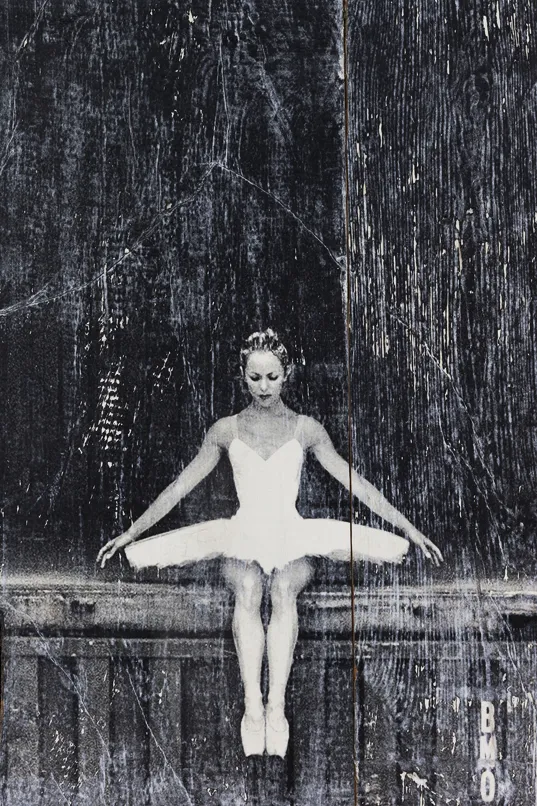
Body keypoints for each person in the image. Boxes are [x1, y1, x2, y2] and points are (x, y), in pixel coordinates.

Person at [97, 328, 443, 758]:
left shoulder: (306, 429)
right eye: (255, 377)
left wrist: (408, 527)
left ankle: (276, 706)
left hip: (291, 535)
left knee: (281, 589)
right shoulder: (225, 430)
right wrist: (132, 531)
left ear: (287, 375)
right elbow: (180, 487)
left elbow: (355, 483)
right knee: (248, 587)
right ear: (242, 376)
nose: (264, 387)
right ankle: (252, 706)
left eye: (272, 377)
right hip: (241, 534)